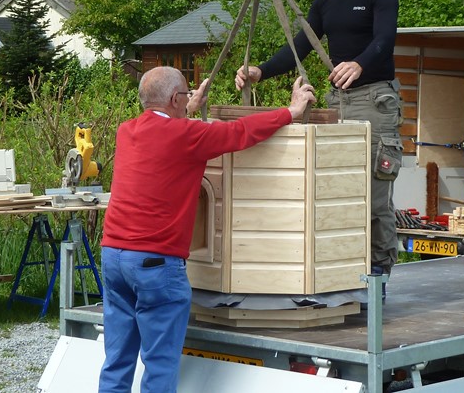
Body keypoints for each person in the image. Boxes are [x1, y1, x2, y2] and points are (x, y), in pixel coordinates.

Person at [98, 66, 316, 393]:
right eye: (185, 94)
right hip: (155, 266)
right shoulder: (187, 136)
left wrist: (185, 108)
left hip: (113, 258)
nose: (188, 99)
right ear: (175, 98)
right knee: (160, 365)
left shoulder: (126, 131)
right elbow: (240, 132)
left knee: (117, 360)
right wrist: (292, 111)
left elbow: (166, 125)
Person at [235, 0, 403, 282]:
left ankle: (378, 273)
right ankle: (342, 270)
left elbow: (385, 40)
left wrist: (359, 63)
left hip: (374, 99)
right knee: (335, 190)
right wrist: (260, 71)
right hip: (337, 102)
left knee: (373, 194)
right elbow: (301, 44)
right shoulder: (326, 1)